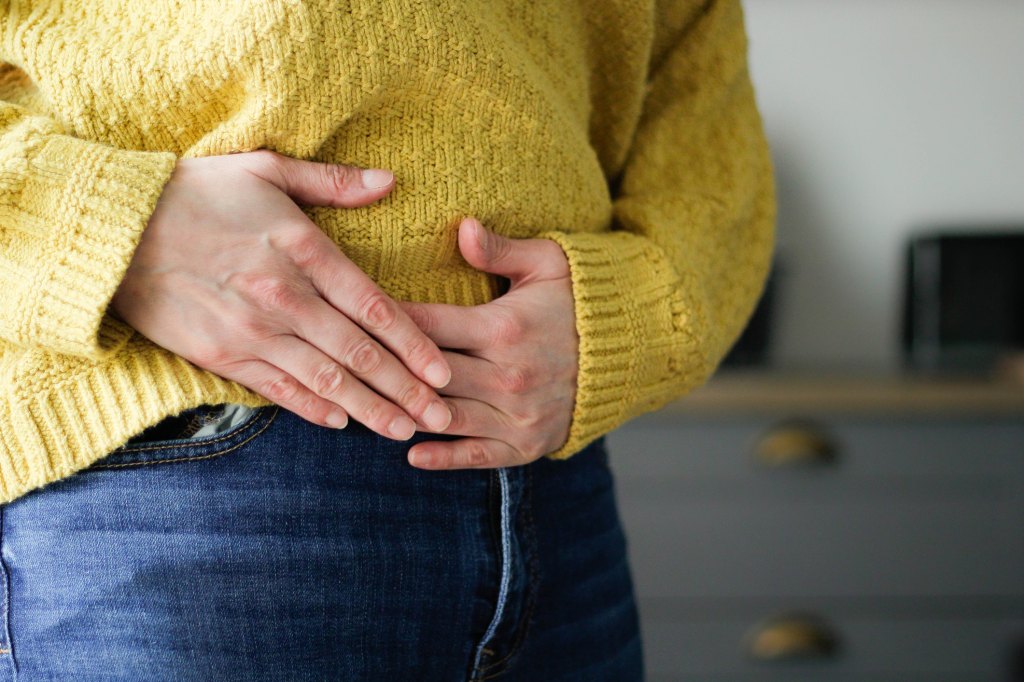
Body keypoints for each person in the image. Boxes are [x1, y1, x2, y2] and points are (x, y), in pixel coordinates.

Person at [0, 0, 774, 679]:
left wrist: (638, 306)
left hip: (554, 490)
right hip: (180, 464)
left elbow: (698, 83)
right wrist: (105, 227)